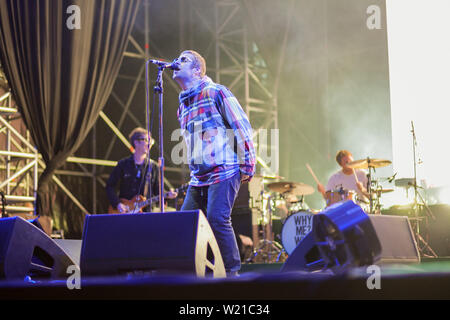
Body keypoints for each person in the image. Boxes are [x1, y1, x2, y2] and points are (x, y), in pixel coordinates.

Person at [172, 50, 256, 276]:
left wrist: (247, 164)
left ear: (197, 70)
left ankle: (232, 274)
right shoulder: (183, 106)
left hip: (225, 168)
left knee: (217, 219)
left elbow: (241, 126)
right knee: (186, 224)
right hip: (199, 177)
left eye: (183, 60)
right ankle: (197, 273)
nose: (176, 62)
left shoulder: (216, 92)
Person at [106, 127, 159, 214]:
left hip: (146, 213)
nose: (149, 143)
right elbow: (110, 186)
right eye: (146, 140)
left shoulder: (153, 166)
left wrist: (168, 195)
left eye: (150, 140)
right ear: (136, 142)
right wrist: (118, 204)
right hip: (125, 212)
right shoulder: (123, 164)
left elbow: (158, 191)